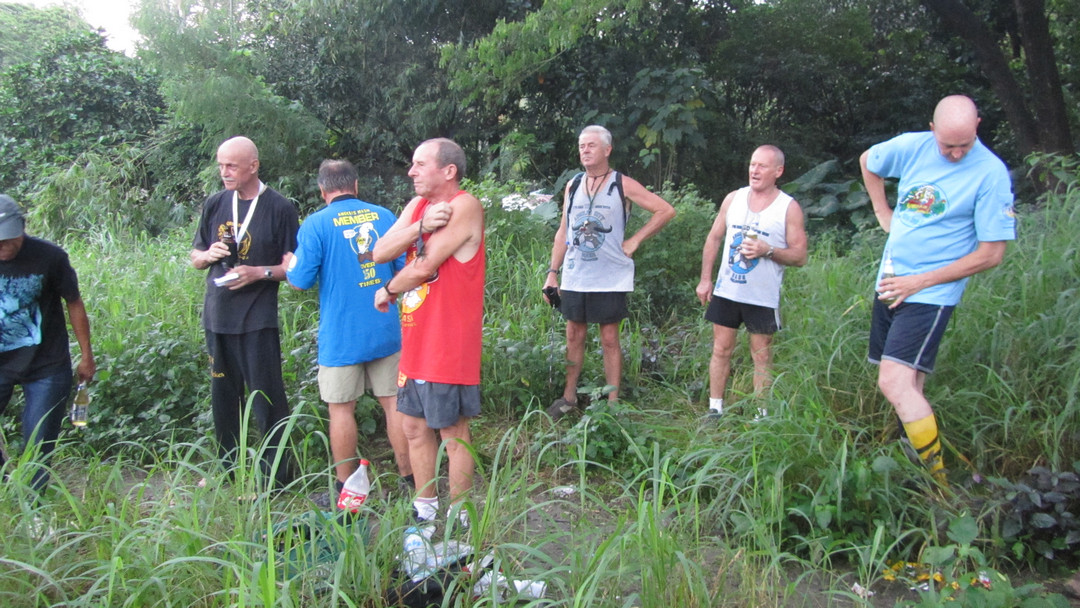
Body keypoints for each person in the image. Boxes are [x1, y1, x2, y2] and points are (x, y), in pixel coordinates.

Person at [859, 95, 1016, 483]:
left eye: (965, 144)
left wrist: (920, 281)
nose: (957, 153)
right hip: (891, 280)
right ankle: (910, 462)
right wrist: (882, 212)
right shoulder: (912, 147)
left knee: (893, 381)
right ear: (932, 130)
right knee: (908, 383)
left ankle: (939, 482)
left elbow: (992, 254)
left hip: (930, 294)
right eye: (948, 146)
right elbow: (868, 161)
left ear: (978, 125)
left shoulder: (991, 174)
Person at [285, 159, 412, 500]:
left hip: (341, 336)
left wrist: (289, 265)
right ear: (355, 185)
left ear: (322, 190)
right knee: (394, 403)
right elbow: (405, 269)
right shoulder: (384, 216)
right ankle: (411, 478)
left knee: (341, 409)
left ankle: (348, 490)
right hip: (385, 327)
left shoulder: (315, 224)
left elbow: (299, 281)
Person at [373, 138, 484, 523]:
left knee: (452, 431)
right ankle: (425, 510)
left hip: (448, 342)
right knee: (413, 428)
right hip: (416, 339)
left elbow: (424, 266)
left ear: (448, 171)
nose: (411, 172)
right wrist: (419, 226)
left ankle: (460, 515)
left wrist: (388, 289)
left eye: (420, 164)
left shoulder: (465, 206)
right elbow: (380, 251)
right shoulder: (418, 206)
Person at [542, 125, 676, 419]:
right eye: (581, 146)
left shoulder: (621, 184)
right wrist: (552, 272)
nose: (585, 150)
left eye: (591, 145)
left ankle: (613, 403)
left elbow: (665, 210)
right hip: (576, 273)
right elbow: (563, 230)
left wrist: (635, 240)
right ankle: (569, 397)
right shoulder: (573, 185)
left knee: (609, 338)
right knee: (574, 335)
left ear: (607, 150)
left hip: (610, 275)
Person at [190, 136, 299, 489]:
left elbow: (294, 270)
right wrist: (207, 256)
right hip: (217, 316)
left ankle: (277, 477)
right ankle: (228, 471)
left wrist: (258, 273)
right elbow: (196, 256)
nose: (224, 172)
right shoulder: (215, 203)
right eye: (221, 165)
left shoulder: (280, 208)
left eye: (232, 166)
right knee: (223, 398)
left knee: (266, 397)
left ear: (253, 166)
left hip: (256, 319)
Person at [695, 145, 807, 418]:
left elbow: (800, 256)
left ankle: (761, 415)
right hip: (727, 290)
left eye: (762, 166)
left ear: (778, 171)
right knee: (721, 349)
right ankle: (714, 409)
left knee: (762, 354)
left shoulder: (788, 207)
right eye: (752, 164)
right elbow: (714, 238)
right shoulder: (734, 198)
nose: (754, 170)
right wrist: (705, 279)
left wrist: (768, 250)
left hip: (762, 295)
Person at [0, 195, 95, 495]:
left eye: (8, 238)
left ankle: (34, 505)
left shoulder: (49, 257)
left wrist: (86, 356)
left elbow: (74, 302)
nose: (3, 246)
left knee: (39, 439)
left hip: (46, 363)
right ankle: (6, 487)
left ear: (21, 227)